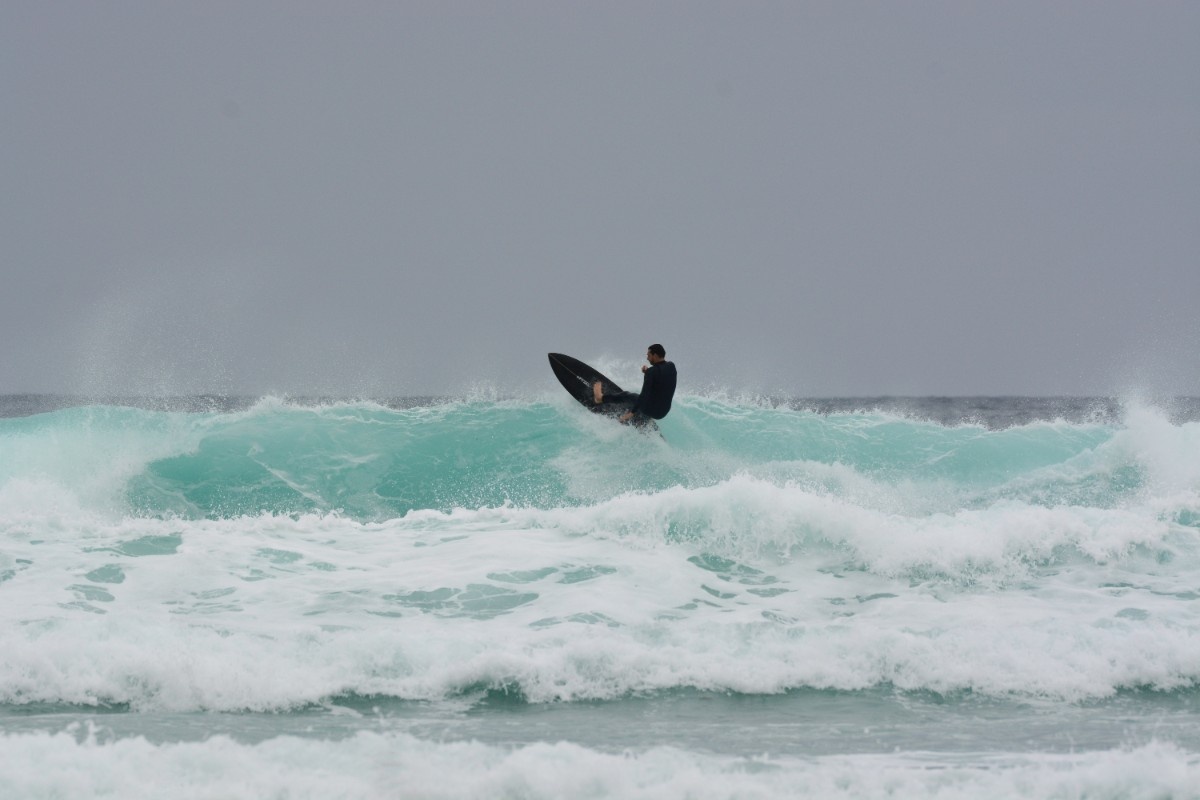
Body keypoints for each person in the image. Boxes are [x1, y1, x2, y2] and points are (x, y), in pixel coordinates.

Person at [592, 344, 677, 426]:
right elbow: (661, 379)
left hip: (651, 410)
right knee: (659, 391)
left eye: (649, 355)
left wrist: (631, 413)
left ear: (655, 355)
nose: (647, 358)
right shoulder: (671, 366)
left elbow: (644, 394)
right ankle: (645, 416)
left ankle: (600, 398)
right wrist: (648, 373)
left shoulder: (651, 372)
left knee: (628, 395)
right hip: (663, 412)